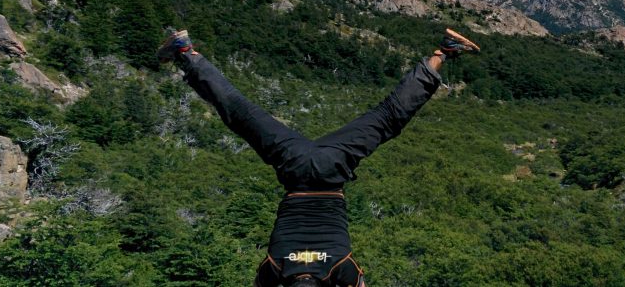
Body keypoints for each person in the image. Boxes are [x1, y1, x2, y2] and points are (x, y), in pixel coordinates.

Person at [157, 27, 481, 287]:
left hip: (333, 168)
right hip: (294, 165)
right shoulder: (275, 267)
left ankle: (444, 53)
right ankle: (187, 53)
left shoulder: (341, 270)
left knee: (387, 118)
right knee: (240, 113)